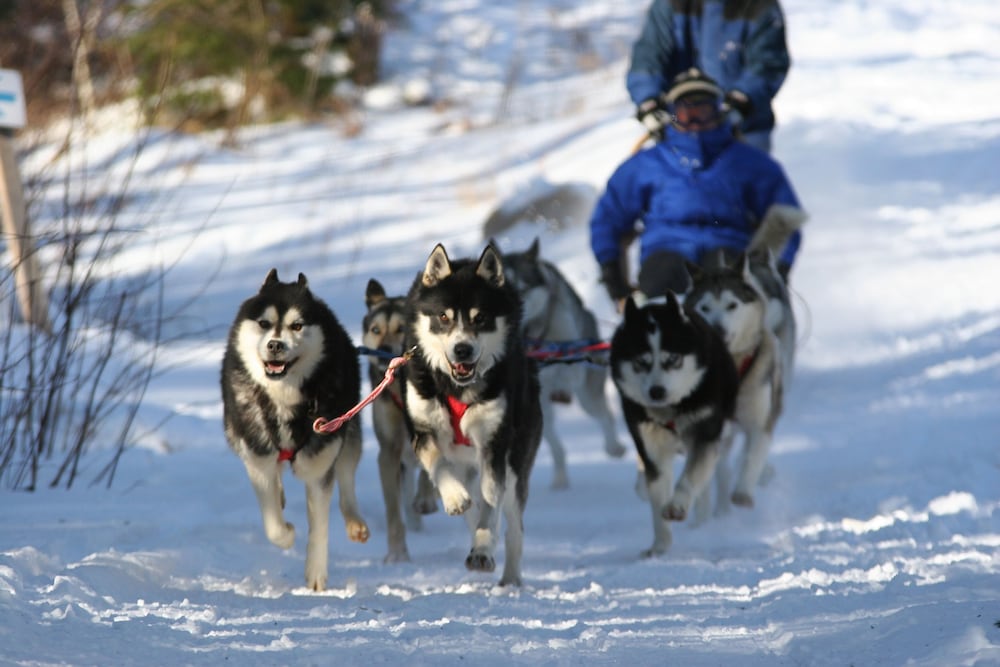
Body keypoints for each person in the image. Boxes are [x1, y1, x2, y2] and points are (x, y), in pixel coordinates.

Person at [590, 68, 804, 308]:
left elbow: (785, 218)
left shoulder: (748, 161)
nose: (695, 122)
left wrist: (774, 271)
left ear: (718, 112)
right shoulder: (646, 164)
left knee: (728, 291)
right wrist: (613, 277)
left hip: (728, 247)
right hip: (665, 250)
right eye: (686, 113)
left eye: (703, 112)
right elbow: (608, 219)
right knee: (663, 288)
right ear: (672, 115)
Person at [627, 0, 791, 153]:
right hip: (677, 124)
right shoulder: (670, 3)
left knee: (748, 172)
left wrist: (739, 102)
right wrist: (649, 102)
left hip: (744, 128)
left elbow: (767, 65)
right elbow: (647, 58)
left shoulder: (759, 5)